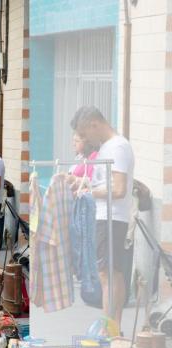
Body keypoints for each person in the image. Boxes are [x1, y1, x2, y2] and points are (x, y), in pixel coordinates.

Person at [70, 105, 134, 329]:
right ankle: (112, 328)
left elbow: (118, 189)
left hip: (111, 217)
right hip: (106, 216)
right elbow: (104, 184)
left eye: (85, 134)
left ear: (94, 124)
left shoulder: (117, 147)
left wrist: (86, 191)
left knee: (107, 274)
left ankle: (109, 328)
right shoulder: (108, 147)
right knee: (110, 273)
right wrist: (81, 183)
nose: (85, 140)